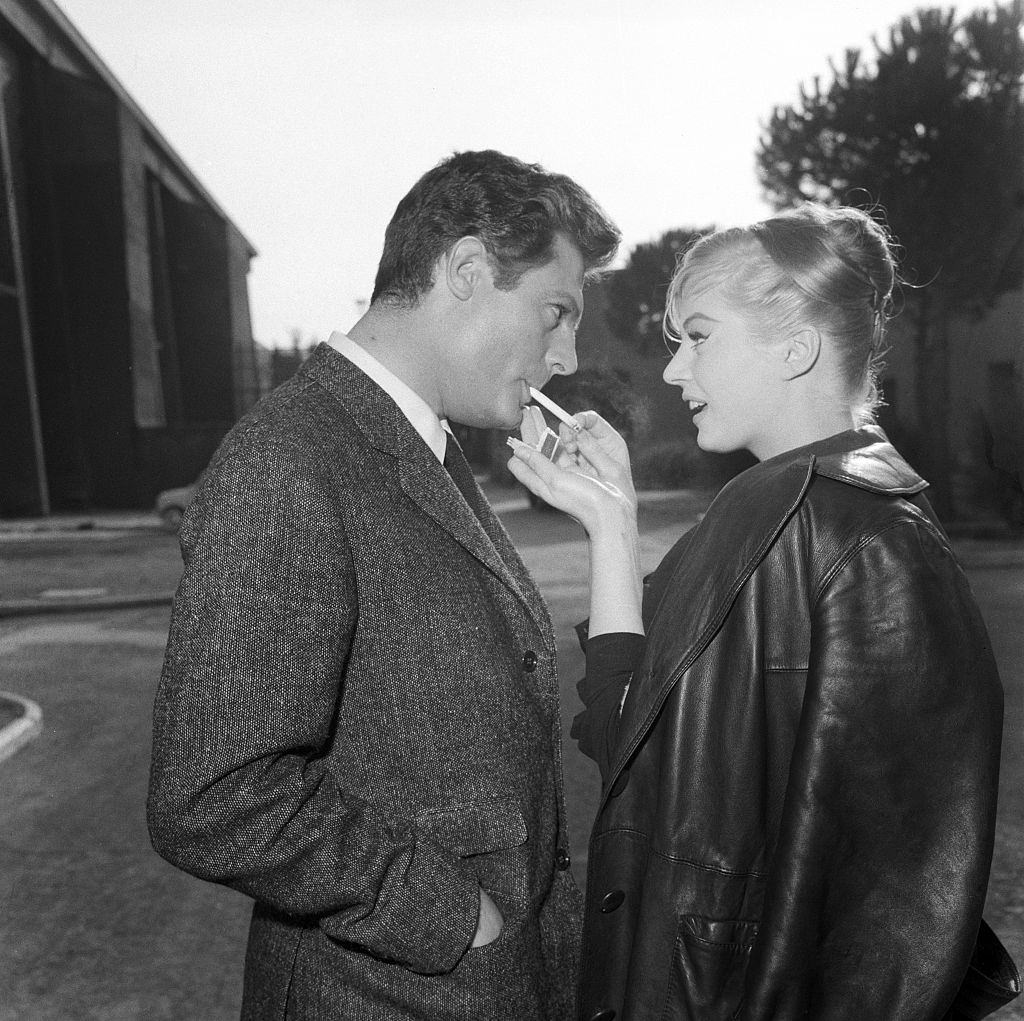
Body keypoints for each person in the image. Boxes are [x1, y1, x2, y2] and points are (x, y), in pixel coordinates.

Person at [508, 204, 1017, 1020]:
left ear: (796, 345)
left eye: (699, 336)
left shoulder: (870, 538)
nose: (674, 371)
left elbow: (897, 921)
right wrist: (613, 523)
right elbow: (630, 749)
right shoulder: (762, 514)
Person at [147, 149, 620, 1020]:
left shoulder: (420, 447)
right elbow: (210, 795)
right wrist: (449, 916)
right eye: (556, 312)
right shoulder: (287, 461)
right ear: (468, 270)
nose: (567, 354)